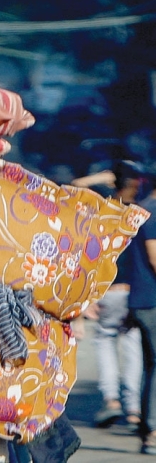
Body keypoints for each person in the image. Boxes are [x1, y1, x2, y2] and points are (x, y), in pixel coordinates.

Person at [79, 161, 144, 427]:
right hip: (136, 293)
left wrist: (100, 177)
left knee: (105, 342)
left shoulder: (102, 213)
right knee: (132, 345)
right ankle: (134, 408)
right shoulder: (142, 213)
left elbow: (73, 189)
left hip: (107, 291)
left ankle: (111, 400)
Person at [129, 173, 156, 454]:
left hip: (141, 299)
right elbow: (154, 256)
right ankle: (152, 431)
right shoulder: (154, 213)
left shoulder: (145, 209)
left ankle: (147, 427)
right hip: (151, 300)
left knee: (151, 366)